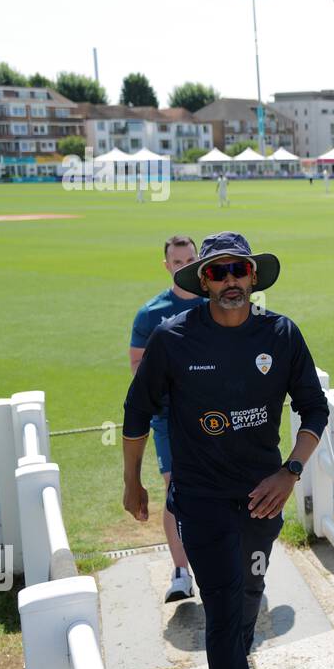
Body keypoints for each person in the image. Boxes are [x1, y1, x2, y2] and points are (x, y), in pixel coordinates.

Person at [121, 232, 328, 669]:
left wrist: (290, 471)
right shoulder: (173, 338)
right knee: (221, 605)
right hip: (200, 499)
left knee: (248, 596)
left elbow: (314, 408)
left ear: (253, 275)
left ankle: (239, 661)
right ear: (204, 281)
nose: (230, 280)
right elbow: (136, 413)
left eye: (239, 269)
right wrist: (132, 482)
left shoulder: (282, 333)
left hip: (263, 499)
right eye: (218, 272)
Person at [129, 235, 207, 604]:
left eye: (190, 259)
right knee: (176, 492)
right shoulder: (151, 312)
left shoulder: (217, 304)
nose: (184, 266)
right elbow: (137, 367)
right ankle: (181, 572)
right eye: (178, 262)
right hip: (169, 420)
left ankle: (225, 565)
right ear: (167, 266)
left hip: (215, 417)